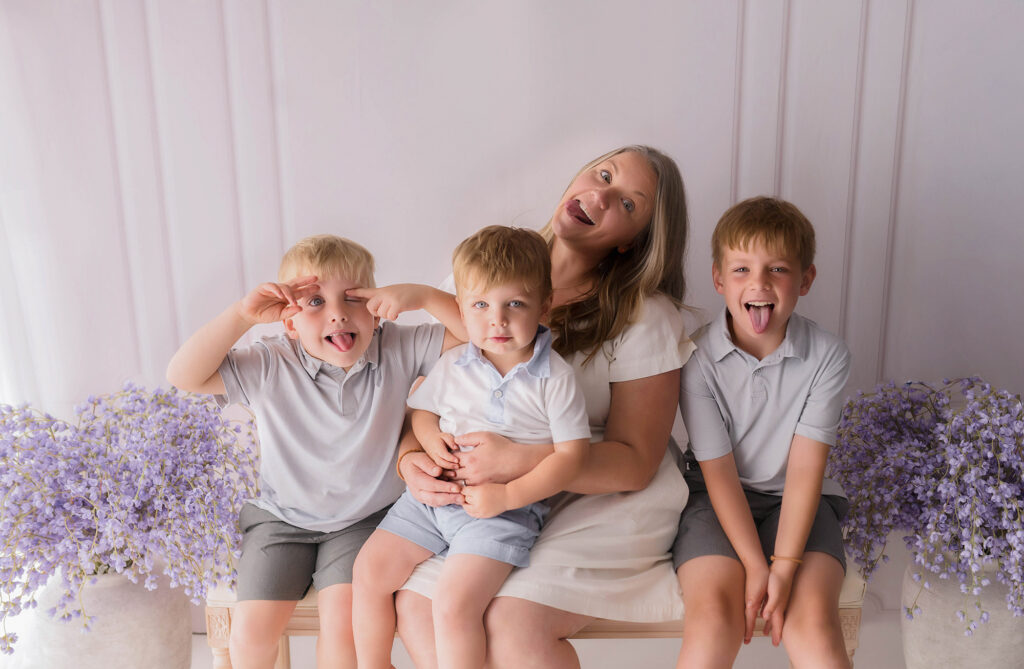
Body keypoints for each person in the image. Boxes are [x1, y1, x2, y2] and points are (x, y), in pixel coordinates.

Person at [356, 145, 694, 669]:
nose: (600, 195)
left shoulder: (643, 316)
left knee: (513, 625)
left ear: (634, 243)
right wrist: (412, 460)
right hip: (479, 488)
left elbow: (636, 462)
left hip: (600, 491)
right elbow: (439, 398)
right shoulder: (486, 271)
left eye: (627, 203)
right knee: (419, 609)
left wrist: (516, 462)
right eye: (602, 174)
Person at [165, 234, 456, 669]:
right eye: (316, 303)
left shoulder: (397, 345)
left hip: (362, 521)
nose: (338, 313)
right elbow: (183, 376)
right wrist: (242, 316)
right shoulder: (270, 362)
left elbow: (483, 336)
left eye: (354, 298)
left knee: (344, 636)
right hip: (280, 519)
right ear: (289, 322)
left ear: (376, 310)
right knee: (251, 638)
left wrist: (425, 295)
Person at [352, 225, 591, 669]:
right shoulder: (454, 362)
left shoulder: (555, 379)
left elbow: (574, 456)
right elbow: (422, 412)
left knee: (452, 605)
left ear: (545, 305)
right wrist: (428, 440)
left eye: (514, 304)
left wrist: (507, 495)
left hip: (502, 513)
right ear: (461, 307)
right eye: (480, 305)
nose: (496, 320)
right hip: (430, 502)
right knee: (368, 573)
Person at [673, 197, 852, 669]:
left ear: (806, 279)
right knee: (714, 622)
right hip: (714, 499)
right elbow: (718, 470)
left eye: (777, 269)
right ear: (717, 278)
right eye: (741, 270)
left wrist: (784, 567)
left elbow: (806, 467)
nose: (758, 284)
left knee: (812, 625)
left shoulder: (827, 356)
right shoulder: (695, 359)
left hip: (798, 503)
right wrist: (756, 565)